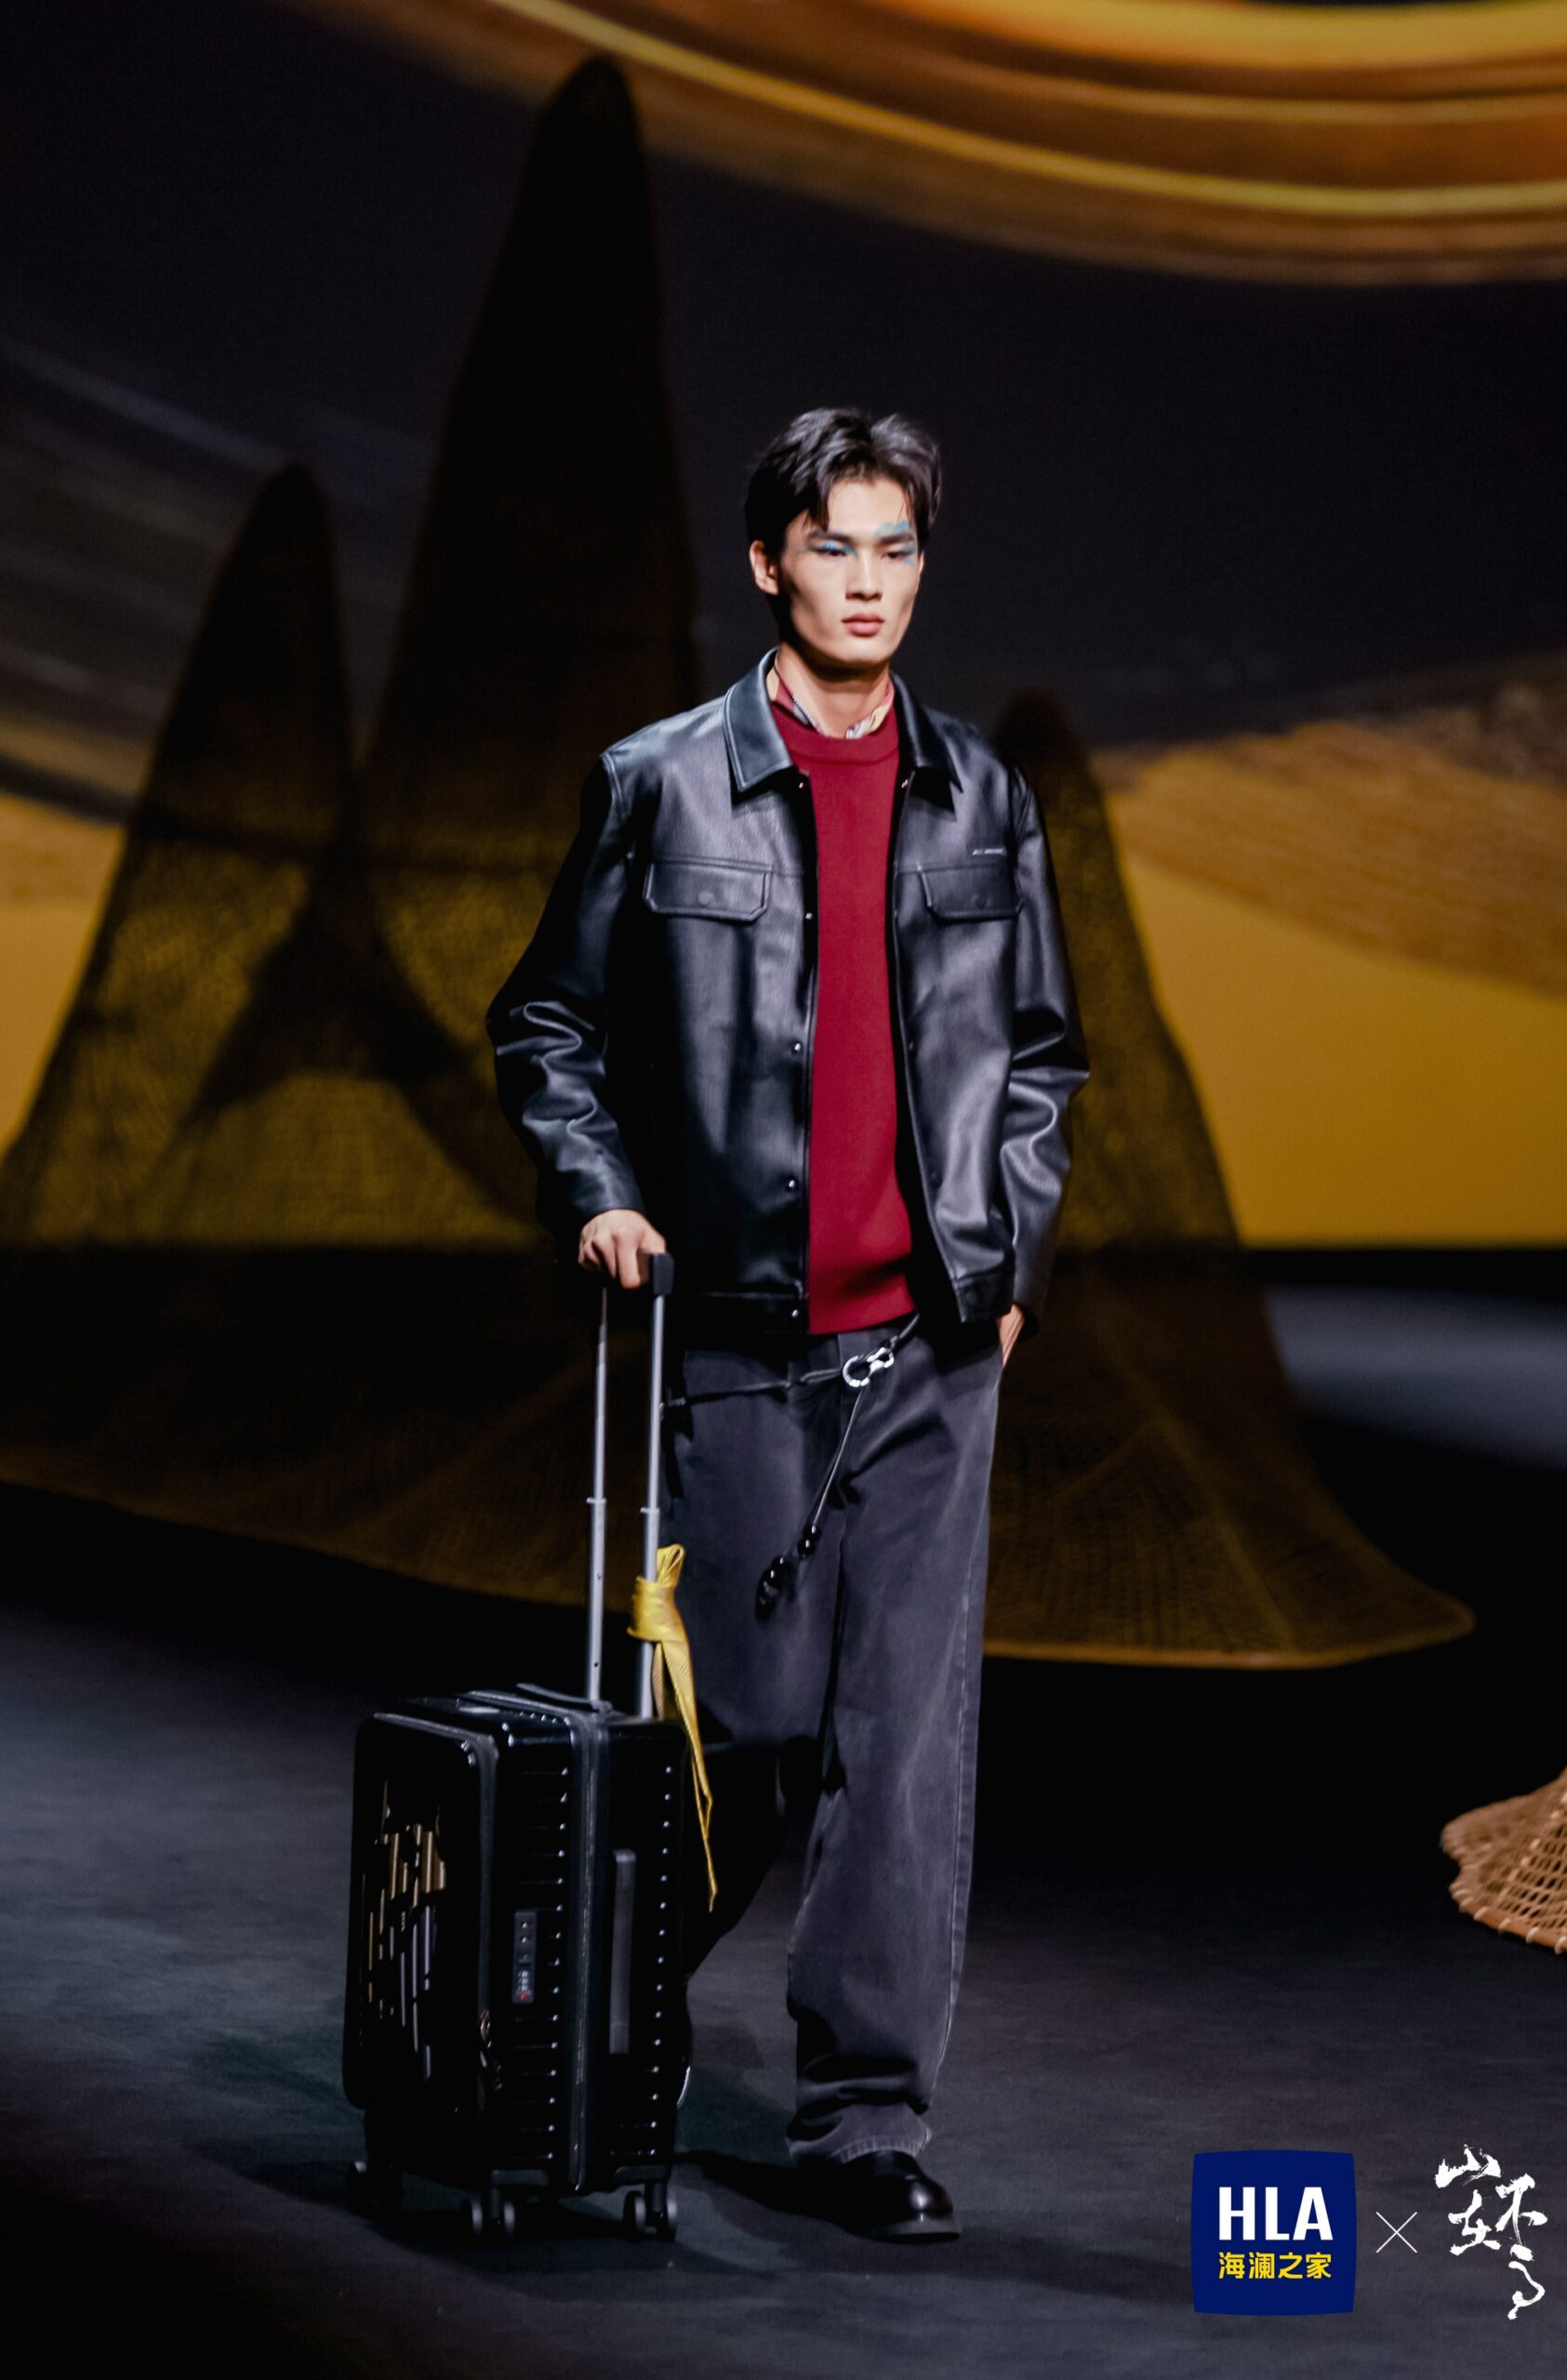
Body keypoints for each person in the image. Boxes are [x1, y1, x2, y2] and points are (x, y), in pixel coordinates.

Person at [487, 406, 1089, 2241]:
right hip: (741, 1339)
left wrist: (1006, 1264)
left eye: (896, 548)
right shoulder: (660, 783)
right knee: (740, 1726)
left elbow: (1040, 1055)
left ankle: (861, 2120)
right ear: (770, 564)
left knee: (901, 1746)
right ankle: (619, 2006)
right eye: (834, 546)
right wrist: (600, 1188)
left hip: (929, 1348)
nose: (868, 581)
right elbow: (546, 1021)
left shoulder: (981, 796)